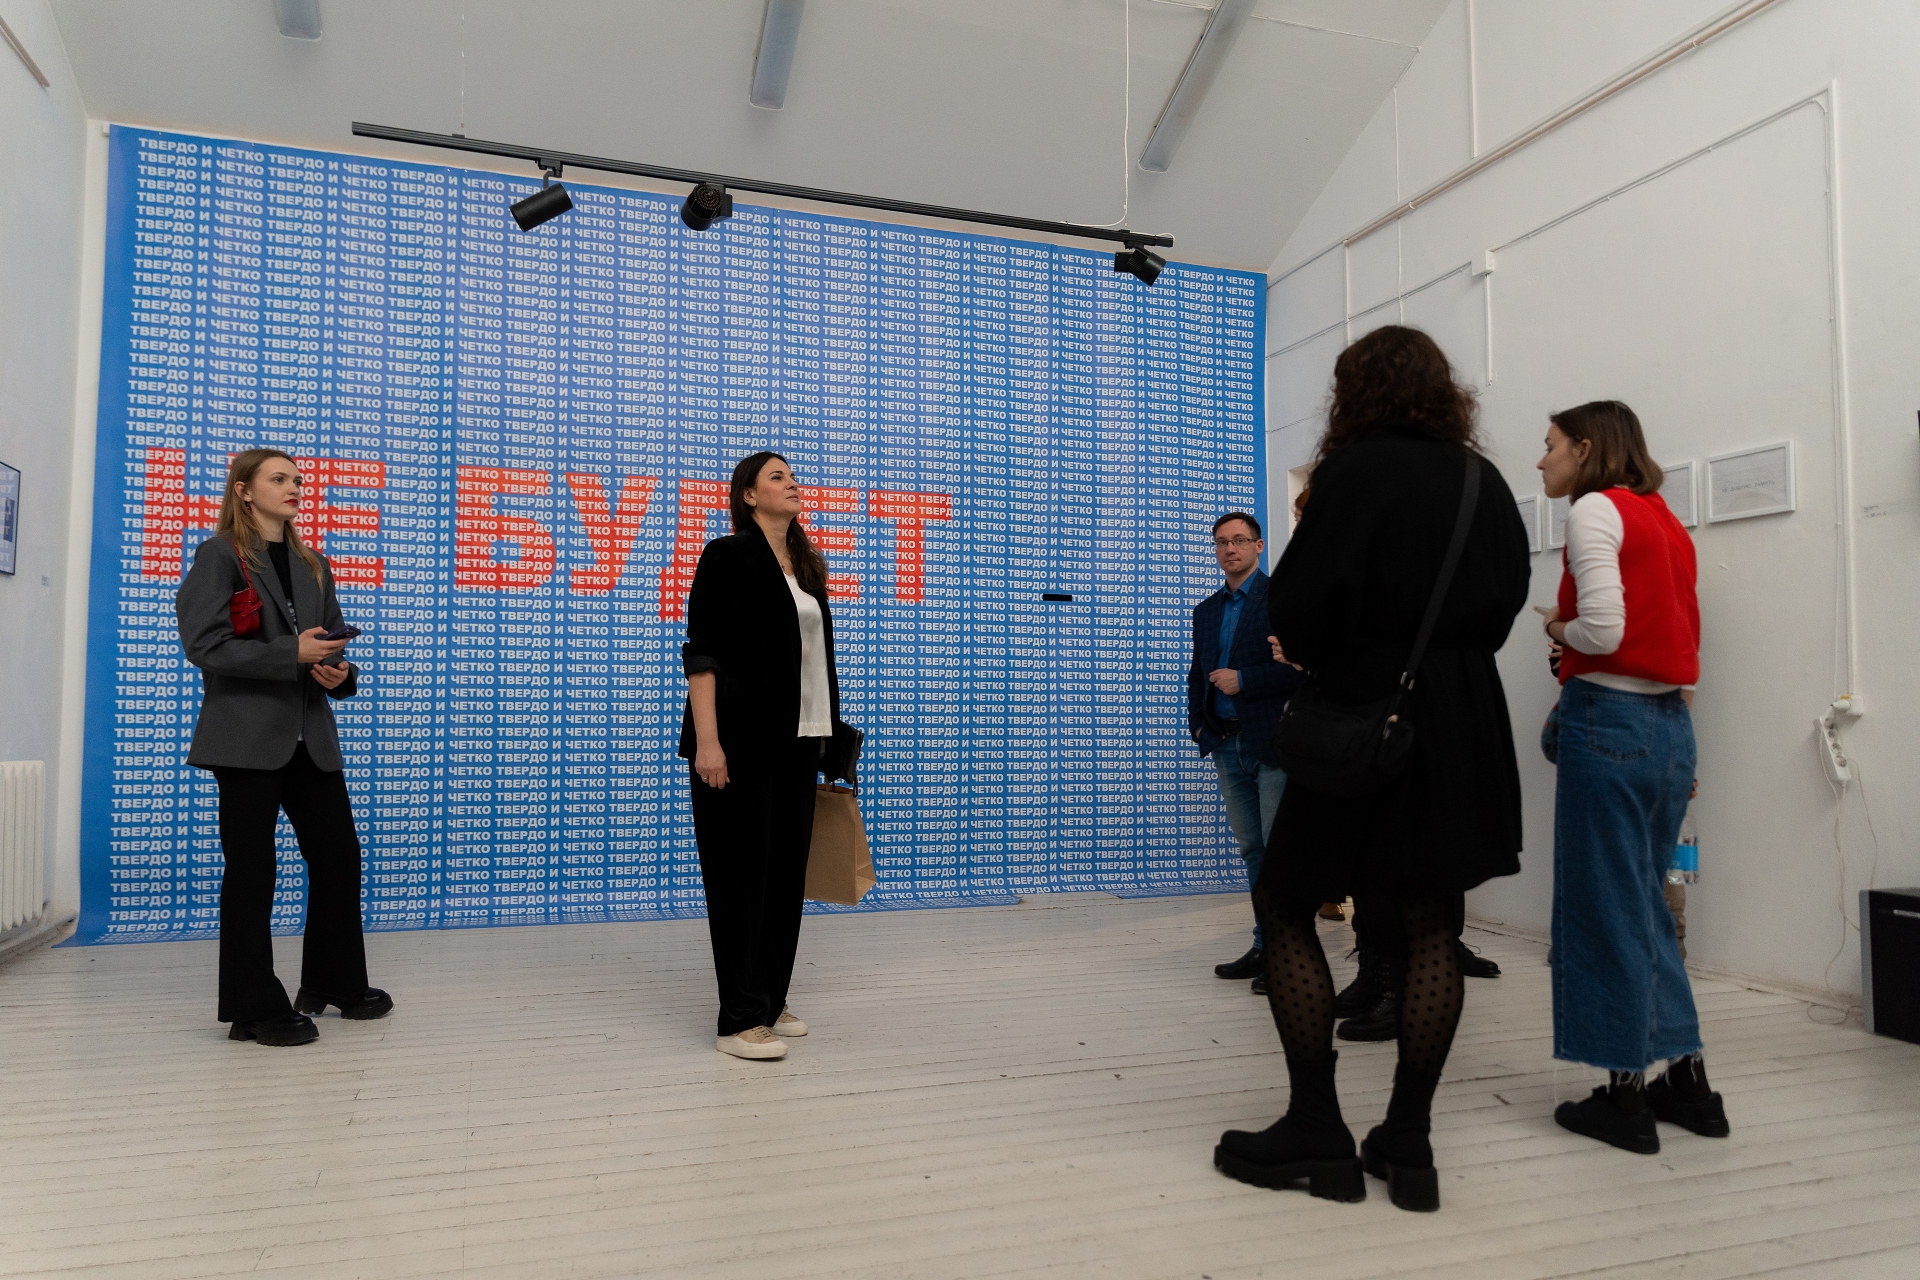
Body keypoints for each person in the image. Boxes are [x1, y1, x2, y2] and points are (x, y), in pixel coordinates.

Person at [1212, 325, 1529, 1212]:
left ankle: (1317, 1125)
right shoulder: (1482, 479)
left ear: (1355, 392)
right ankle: (1409, 1141)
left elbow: (1299, 611)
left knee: (1285, 904)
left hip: (1361, 713)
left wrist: (1337, 643)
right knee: (1430, 926)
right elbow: (1505, 603)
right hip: (1459, 720)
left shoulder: (1354, 473)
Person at [1537, 401, 1728, 1152]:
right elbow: (1680, 635)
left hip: (1610, 721)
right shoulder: (1666, 521)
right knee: (1644, 902)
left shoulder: (1594, 511)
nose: (1542, 459)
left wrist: (1557, 628)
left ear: (1586, 448)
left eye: (1551, 445)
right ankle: (1688, 1081)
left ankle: (1624, 1095)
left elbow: (1603, 630)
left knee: (1606, 907)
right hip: (1670, 725)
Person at [175, 448, 391, 1046]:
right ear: (244, 490)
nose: (294, 487)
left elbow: (331, 647)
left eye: (297, 479)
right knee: (252, 871)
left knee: (338, 858)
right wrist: (289, 653)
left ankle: (334, 982)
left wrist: (338, 673)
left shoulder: (313, 564)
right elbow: (204, 644)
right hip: (245, 738)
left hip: (309, 736)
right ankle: (253, 1009)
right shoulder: (219, 555)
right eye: (279, 479)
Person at [680, 451, 853, 1062]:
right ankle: (737, 1020)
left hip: (798, 743)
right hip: (739, 745)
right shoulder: (729, 555)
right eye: (777, 477)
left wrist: (829, 740)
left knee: (783, 880)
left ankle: (770, 1000)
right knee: (740, 882)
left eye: (793, 476)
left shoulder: (804, 566)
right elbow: (703, 653)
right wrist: (708, 743)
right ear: (749, 496)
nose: (792, 483)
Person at [1189, 512, 1304, 993]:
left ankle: (1288, 954)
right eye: (1221, 542)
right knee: (1252, 849)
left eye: (1239, 540)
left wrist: (1245, 680)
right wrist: (1200, 726)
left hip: (1272, 741)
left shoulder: (1284, 599)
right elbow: (1199, 673)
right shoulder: (1206, 610)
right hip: (1226, 743)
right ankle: (1265, 944)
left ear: (1259, 546)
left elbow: (1303, 669)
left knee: (1279, 852)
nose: (1229, 549)